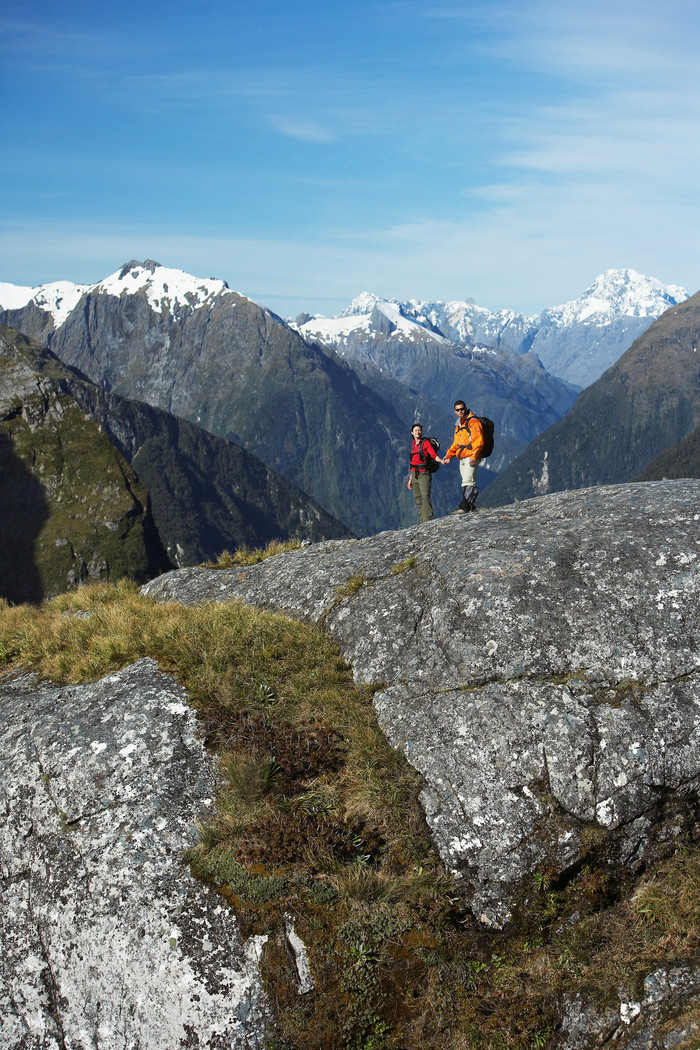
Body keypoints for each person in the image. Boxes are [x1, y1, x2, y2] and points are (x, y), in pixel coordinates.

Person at [442, 400, 485, 513]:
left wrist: (474, 456)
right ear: (455, 411)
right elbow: (456, 444)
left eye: (462, 409)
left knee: (468, 481)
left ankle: (464, 507)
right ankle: (471, 507)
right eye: (458, 410)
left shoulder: (473, 422)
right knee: (465, 481)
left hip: (471, 456)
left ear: (466, 408)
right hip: (462, 457)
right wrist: (449, 456)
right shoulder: (459, 424)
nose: (460, 411)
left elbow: (479, 441)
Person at [407, 423, 439, 522]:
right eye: (416, 430)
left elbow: (433, 454)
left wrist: (441, 460)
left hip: (424, 474)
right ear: (412, 432)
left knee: (425, 496)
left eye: (419, 430)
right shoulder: (413, 445)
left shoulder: (425, 443)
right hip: (414, 474)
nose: (418, 432)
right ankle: (422, 520)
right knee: (419, 498)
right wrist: (410, 479)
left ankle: (428, 520)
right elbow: (413, 463)